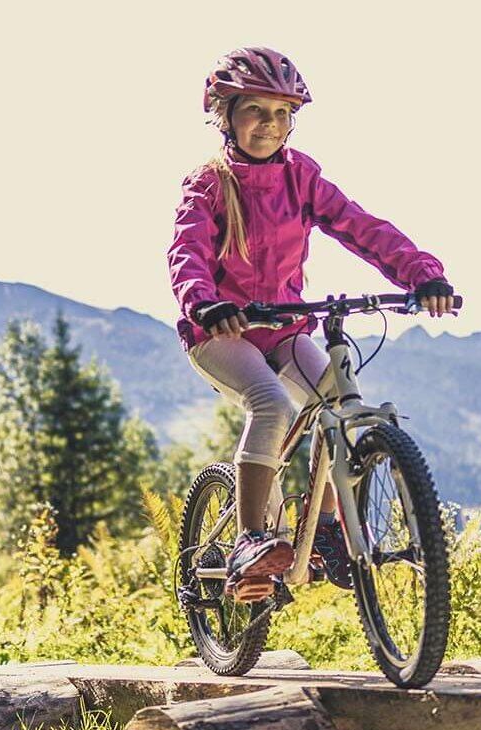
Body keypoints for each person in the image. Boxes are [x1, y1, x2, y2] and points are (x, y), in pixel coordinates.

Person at [168, 46, 456, 603]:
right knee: (272, 404)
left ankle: (325, 526)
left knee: (339, 401)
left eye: (282, 114)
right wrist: (203, 303)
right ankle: (250, 540)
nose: (270, 125)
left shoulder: (302, 177)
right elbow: (187, 251)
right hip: (220, 332)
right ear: (224, 114)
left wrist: (423, 273)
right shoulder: (208, 183)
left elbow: (361, 227)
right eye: (255, 111)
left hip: (284, 327)